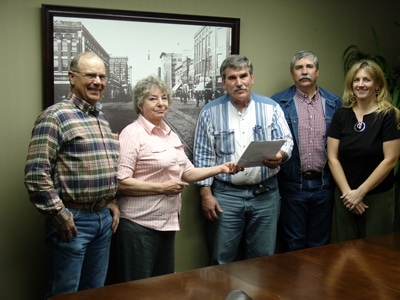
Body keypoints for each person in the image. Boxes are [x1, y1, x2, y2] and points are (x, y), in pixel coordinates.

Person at [115, 75, 243, 282]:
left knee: (163, 286)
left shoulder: (169, 134)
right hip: (139, 225)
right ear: (140, 103)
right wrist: (161, 188)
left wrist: (221, 168)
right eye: (153, 99)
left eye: (164, 98)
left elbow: (188, 172)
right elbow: (121, 182)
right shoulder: (133, 133)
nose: (161, 104)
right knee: (137, 289)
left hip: (167, 222)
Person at [24, 52, 120, 299]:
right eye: (90, 75)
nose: (98, 81)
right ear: (72, 78)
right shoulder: (55, 116)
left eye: (102, 76)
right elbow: (36, 175)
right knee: (65, 293)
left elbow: (104, 167)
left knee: (94, 291)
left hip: (102, 220)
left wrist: (111, 201)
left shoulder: (102, 118)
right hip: (73, 221)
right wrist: (59, 215)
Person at [193, 55, 293, 265]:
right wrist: (205, 195)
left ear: (252, 78)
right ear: (224, 82)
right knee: (221, 259)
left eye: (243, 76)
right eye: (232, 78)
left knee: (263, 260)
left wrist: (280, 155)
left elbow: (287, 142)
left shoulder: (271, 108)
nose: (239, 83)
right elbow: (203, 157)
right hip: (225, 197)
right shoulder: (209, 113)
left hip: (265, 195)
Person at [271, 50, 343, 252]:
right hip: (293, 185)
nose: (304, 71)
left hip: (324, 184)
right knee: (293, 244)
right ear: (292, 73)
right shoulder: (277, 103)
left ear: (317, 72)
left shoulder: (334, 103)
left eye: (309, 67)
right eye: (299, 67)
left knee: (320, 244)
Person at [327, 59, 400, 242]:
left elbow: (391, 159)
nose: (360, 84)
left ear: (377, 84)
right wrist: (349, 195)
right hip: (345, 196)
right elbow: (332, 157)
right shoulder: (341, 115)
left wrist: (360, 192)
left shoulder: (388, 116)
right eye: (356, 80)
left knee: (376, 253)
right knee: (343, 253)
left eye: (366, 80)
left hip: (377, 197)